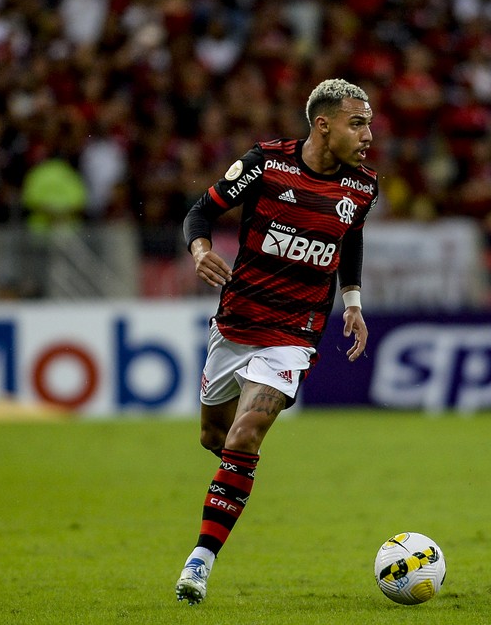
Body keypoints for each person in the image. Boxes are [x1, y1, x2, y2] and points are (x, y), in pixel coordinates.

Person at [174, 78, 378, 605]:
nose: (368, 134)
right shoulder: (267, 164)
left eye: (369, 123)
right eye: (357, 123)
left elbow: (348, 241)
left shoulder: (361, 188)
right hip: (236, 324)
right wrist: (199, 251)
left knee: (245, 438)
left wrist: (352, 303)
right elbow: (200, 212)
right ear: (323, 124)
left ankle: (199, 563)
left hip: (293, 335)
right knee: (213, 437)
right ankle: (236, 482)